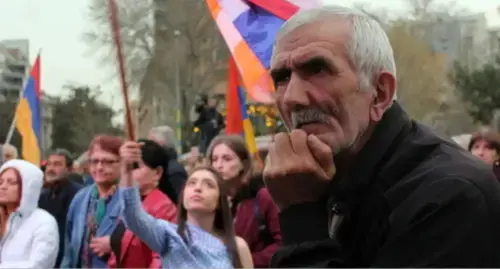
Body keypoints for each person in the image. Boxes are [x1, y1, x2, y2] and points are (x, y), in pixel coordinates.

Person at [264, 5, 500, 267]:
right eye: (282, 78)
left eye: (318, 69)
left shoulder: (450, 197)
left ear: (380, 93)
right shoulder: (325, 176)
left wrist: (302, 219)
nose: (293, 98)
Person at [120, 140, 253, 268]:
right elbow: (133, 216)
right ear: (183, 196)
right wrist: (126, 171)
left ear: (219, 201)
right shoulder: (169, 236)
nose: (198, 188)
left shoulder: (237, 246)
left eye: (209, 185)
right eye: (192, 183)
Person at [208, 135, 281, 268]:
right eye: (214, 159)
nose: (219, 165)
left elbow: (281, 244)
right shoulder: (211, 199)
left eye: (227, 159)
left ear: (244, 164)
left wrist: (245, 260)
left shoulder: (262, 197)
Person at [107, 139, 178, 268]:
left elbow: (160, 261)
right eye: (127, 168)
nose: (129, 173)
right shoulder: (127, 204)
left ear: (157, 173)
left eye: (135, 167)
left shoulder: (165, 209)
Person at [60, 135, 124, 268]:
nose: (99, 167)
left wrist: (116, 244)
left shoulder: (131, 199)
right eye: (94, 161)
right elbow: (69, 249)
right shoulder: (81, 198)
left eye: (108, 162)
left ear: (123, 163)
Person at [0, 159, 59, 268]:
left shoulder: (44, 222)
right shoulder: (2, 219)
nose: (3, 187)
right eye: (0, 182)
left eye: (11, 182)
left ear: (28, 187)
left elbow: (38, 265)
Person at [39, 148, 83, 268]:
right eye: (49, 164)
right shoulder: (43, 195)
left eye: (57, 164)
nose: (51, 169)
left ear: (69, 169)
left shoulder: (79, 194)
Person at [149, 125, 188, 197]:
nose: (148, 148)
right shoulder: (164, 166)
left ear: (160, 143)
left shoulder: (173, 171)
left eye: (151, 144)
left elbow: (179, 201)